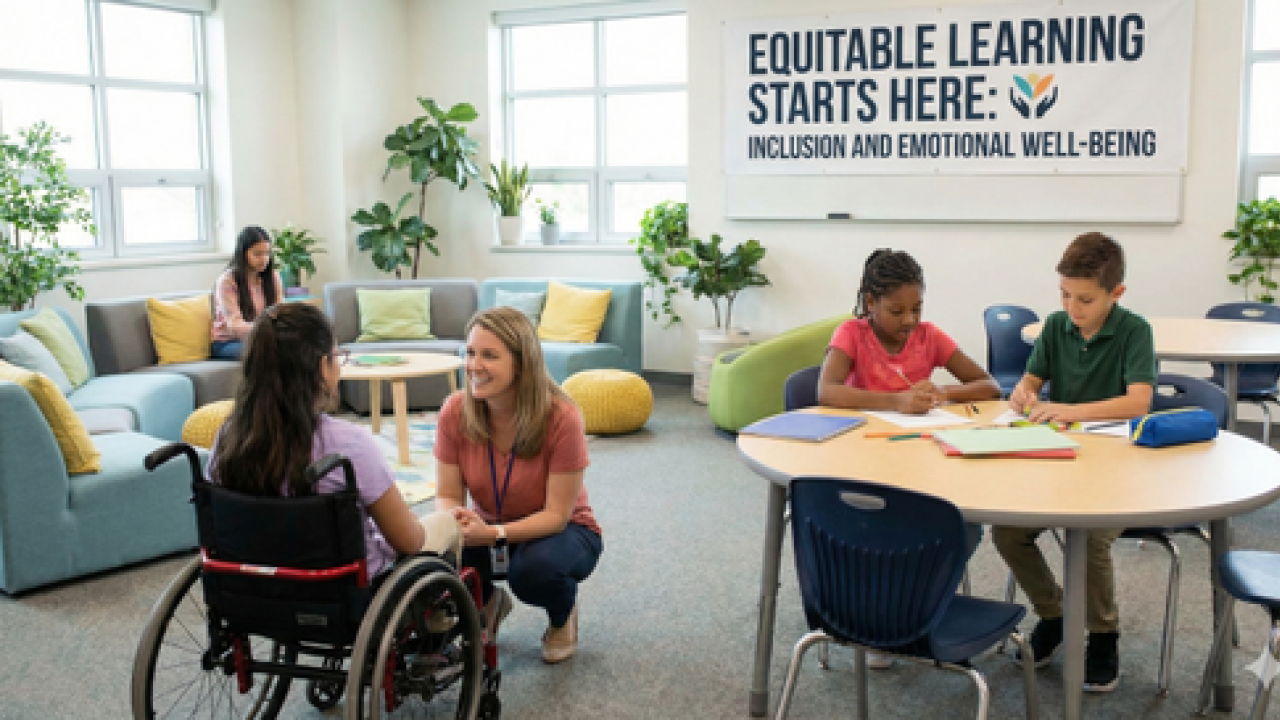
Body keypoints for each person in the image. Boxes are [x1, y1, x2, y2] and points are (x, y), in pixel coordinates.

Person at [819, 247, 999, 668]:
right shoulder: (852, 334)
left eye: (916, 308)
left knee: (964, 527)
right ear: (870, 303)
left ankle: (911, 605)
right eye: (896, 311)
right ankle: (886, 612)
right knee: (888, 528)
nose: (909, 320)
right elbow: (826, 391)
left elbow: (988, 385)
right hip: (865, 465)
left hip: (921, 463)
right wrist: (896, 400)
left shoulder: (928, 337)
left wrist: (943, 392)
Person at [994, 232, 1156, 693]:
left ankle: (1103, 634)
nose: (1072, 308)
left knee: (1089, 540)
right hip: (1058, 462)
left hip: (1114, 468)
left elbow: (1138, 401)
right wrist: (1024, 392)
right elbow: (1031, 379)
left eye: (1085, 299)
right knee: (1007, 532)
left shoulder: (1134, 330)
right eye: (1064, 295)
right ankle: (1055, 613)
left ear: (1116, 293)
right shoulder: (1055, 325)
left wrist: (1070, 410)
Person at [208, 302, 460, 580]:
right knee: (447, 524)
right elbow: (409, 542)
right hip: (347, 591)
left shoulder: (227, 438)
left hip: (251, 588)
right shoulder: (349, 446)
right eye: (337, 356)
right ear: (322, 366)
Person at [434, 307, 602, 664]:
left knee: (533, 571)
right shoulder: (455, 411)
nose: (474, 365)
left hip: (562, 530)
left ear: (522, 364)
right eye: (471, 353)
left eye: (489, 355)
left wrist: (494, 534)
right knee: (433, 559)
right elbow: (447, 494)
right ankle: (489, 603)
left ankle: (562, 616)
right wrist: (455, 522)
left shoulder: (562, 417)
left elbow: (556, 515)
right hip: (488, 526)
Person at [211, 225, 283, 359]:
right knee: (269, 351)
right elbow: (234, 326)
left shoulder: (273, 277)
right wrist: (267, 331)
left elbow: (279, 314)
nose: (264, 259)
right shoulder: (227, 281)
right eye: (257, 254)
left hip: (263, 338)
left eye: (267, 253)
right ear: (243, 254)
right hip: (227, 343)